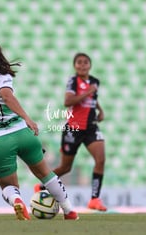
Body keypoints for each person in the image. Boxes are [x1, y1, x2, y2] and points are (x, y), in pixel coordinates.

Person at [0, 40, 78, 220]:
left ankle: (18, 202)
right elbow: (6, 96)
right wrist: (27, 118)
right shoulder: (3, 74)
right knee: (45, 173)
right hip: (22, 133)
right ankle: (69, 211)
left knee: (7, 185)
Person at [36, 52, 107, 211]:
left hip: (90, 127)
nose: (82, 65)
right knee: (65, 167)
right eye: (79, 62)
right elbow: (68, 101)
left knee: (100, 159)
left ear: (90, 65)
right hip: (73, 128)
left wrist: (100, 110)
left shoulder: (95, 82)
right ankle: (41, 186)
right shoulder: (73, 81)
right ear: (75, 66)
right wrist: (87, 92)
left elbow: (93, 99)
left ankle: (94, 199)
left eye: (85, 62)